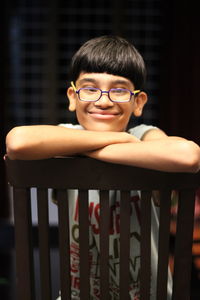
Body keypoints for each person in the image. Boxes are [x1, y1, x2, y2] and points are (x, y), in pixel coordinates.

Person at [6, 36, 200, 299]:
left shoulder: (144, 135)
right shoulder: (101, 137)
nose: (104, 101)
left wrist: (87, 147)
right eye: (89, 88)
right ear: (73, 97)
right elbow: (17, 141)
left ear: (139, 102)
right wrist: (120, 139)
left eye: (119, 90)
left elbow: (188, 155)